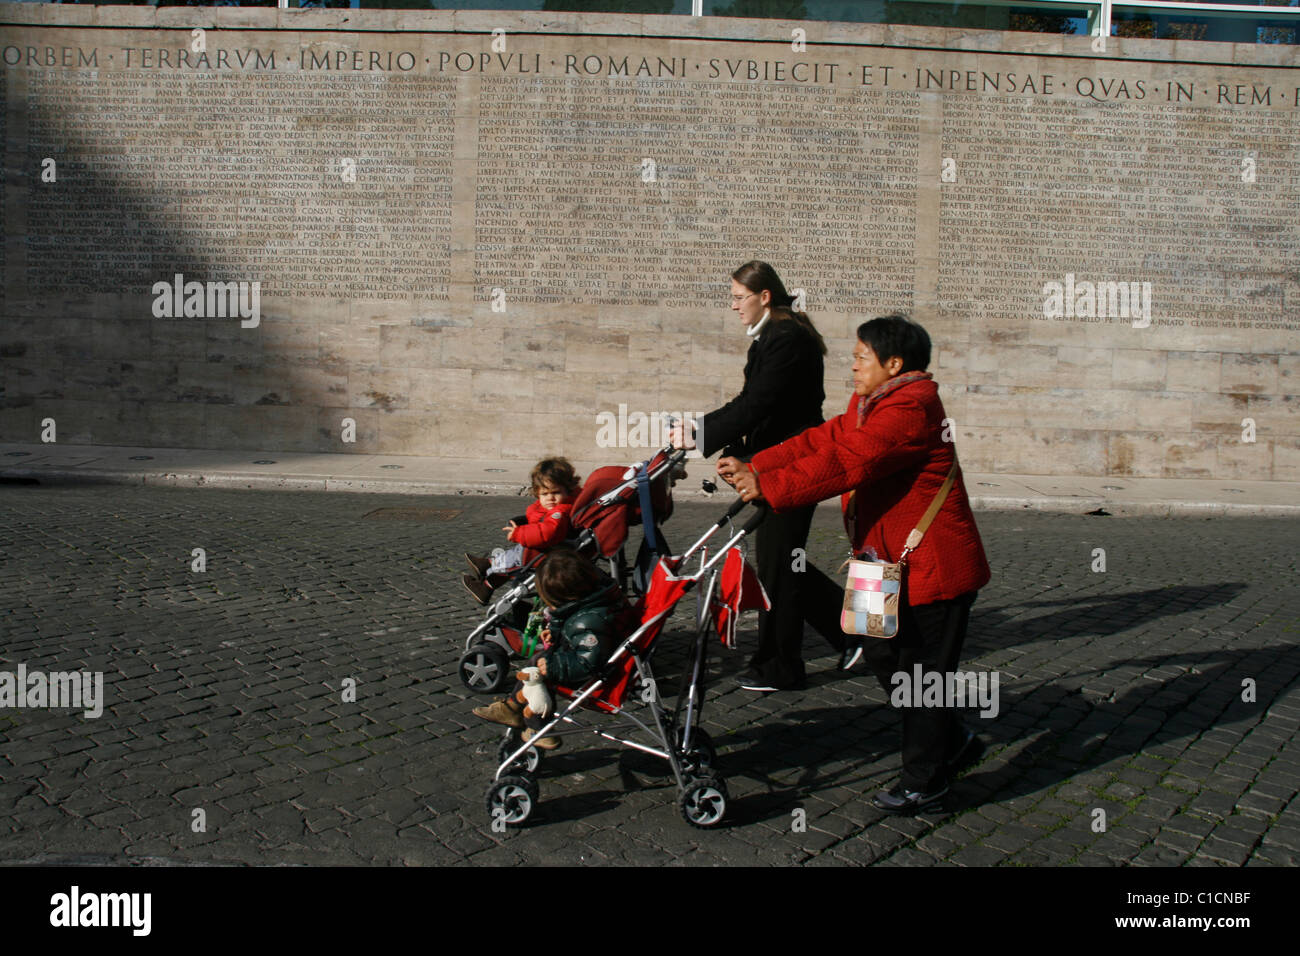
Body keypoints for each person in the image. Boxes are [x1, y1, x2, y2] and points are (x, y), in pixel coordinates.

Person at [719, 314, 991, 814]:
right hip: (877, 564)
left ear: (894, 363)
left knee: (922, 674)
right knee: (877, 651)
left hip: (930, 568)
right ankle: (951, 740)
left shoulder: (911, 408)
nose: (852, 366)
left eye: (861, 357)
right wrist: (762, 464)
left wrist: (773, 487)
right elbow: (823, 441)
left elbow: (852, 462)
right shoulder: (869, 404)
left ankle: (925, 778)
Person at [671, 261, 844, 692]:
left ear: (764, 295)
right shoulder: (777, 336)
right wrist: (727, 445)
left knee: (779, 568)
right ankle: (853, 635)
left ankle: (781, 666)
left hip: (790, 467)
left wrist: (700, 433)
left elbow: (760, 404)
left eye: (738, 297)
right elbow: (754, 403)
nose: (733, 307)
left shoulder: (786, 340)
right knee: (782, 564)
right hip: (775, 464)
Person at [471, 547, 624, 749]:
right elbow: (570, 620)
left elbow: (588, 661)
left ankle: (538, 727)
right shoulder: (590, 605)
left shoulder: (589, 621)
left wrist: (554, 667)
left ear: (566, 598)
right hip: (588, 659)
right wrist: (555, 631)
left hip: (593, 674)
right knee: (537, 664)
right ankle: (513, 708)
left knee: (537, 673)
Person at [463, 457, 581, 605]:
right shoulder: (554, 507)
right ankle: (486, 579)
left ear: (568, 490)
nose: (550, 498)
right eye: (544, 494)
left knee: (511, 561)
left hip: (543, 552)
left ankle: (488, 570)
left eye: (556, 493)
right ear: (538, 493)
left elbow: (547, 533)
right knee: (511, 563)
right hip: (538, 548)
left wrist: (519, 533)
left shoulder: (560, 512)